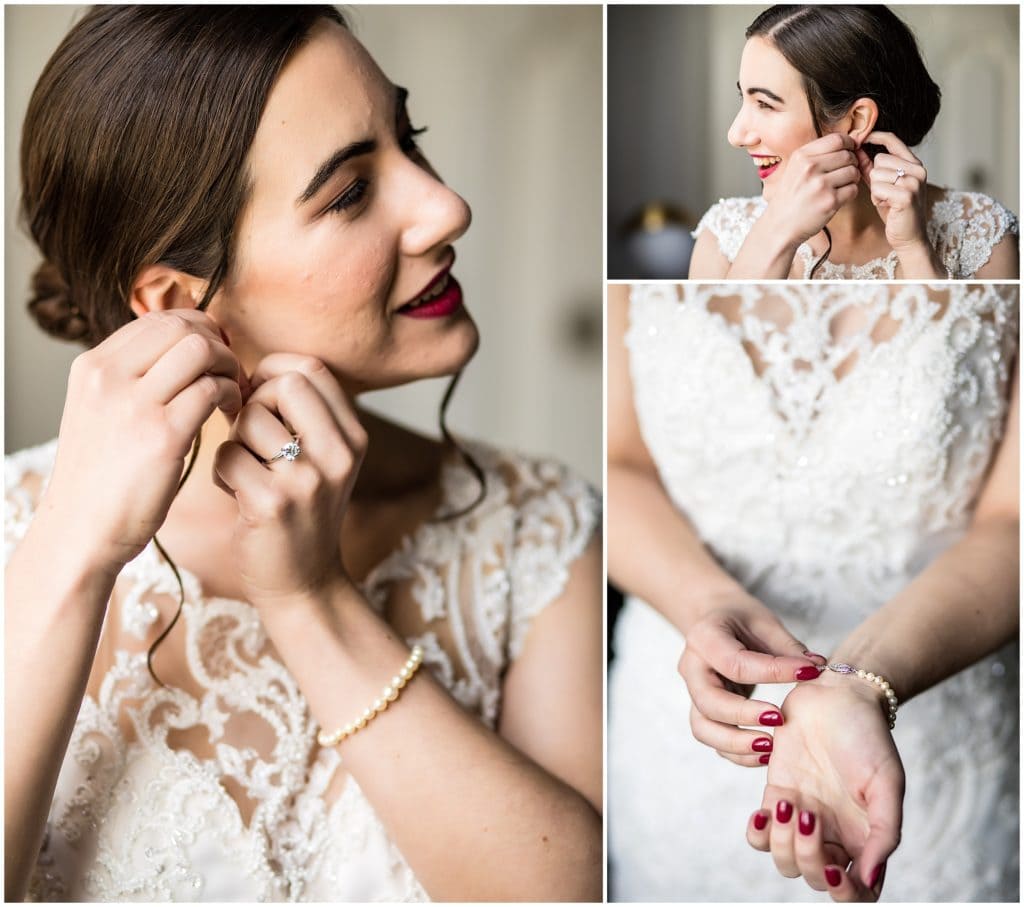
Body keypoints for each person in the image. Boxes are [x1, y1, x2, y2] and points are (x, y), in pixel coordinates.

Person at [4, 7, 602, 901]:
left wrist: (311, 597)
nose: (447, 206)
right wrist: (74, 552)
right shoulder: (15, 525)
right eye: (350, 192)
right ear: (176, 298)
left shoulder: (536, 526)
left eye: (411, 138)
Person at [607, 283, 1018, 901]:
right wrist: (708, 606)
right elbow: (621, 466)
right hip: (685, 736)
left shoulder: (996, 260)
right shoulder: (641, 263)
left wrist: (859, 682)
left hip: (936, 740)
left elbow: (1012, 522)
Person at [688, 5, 1019, 280]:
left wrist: (914, 249)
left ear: (857, 120)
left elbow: (972, 359)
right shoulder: (723, 235)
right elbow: (713, 357)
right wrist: (777, 233)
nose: (736, 135)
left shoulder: (981, 232)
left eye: (765, 104)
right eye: (743, 98)